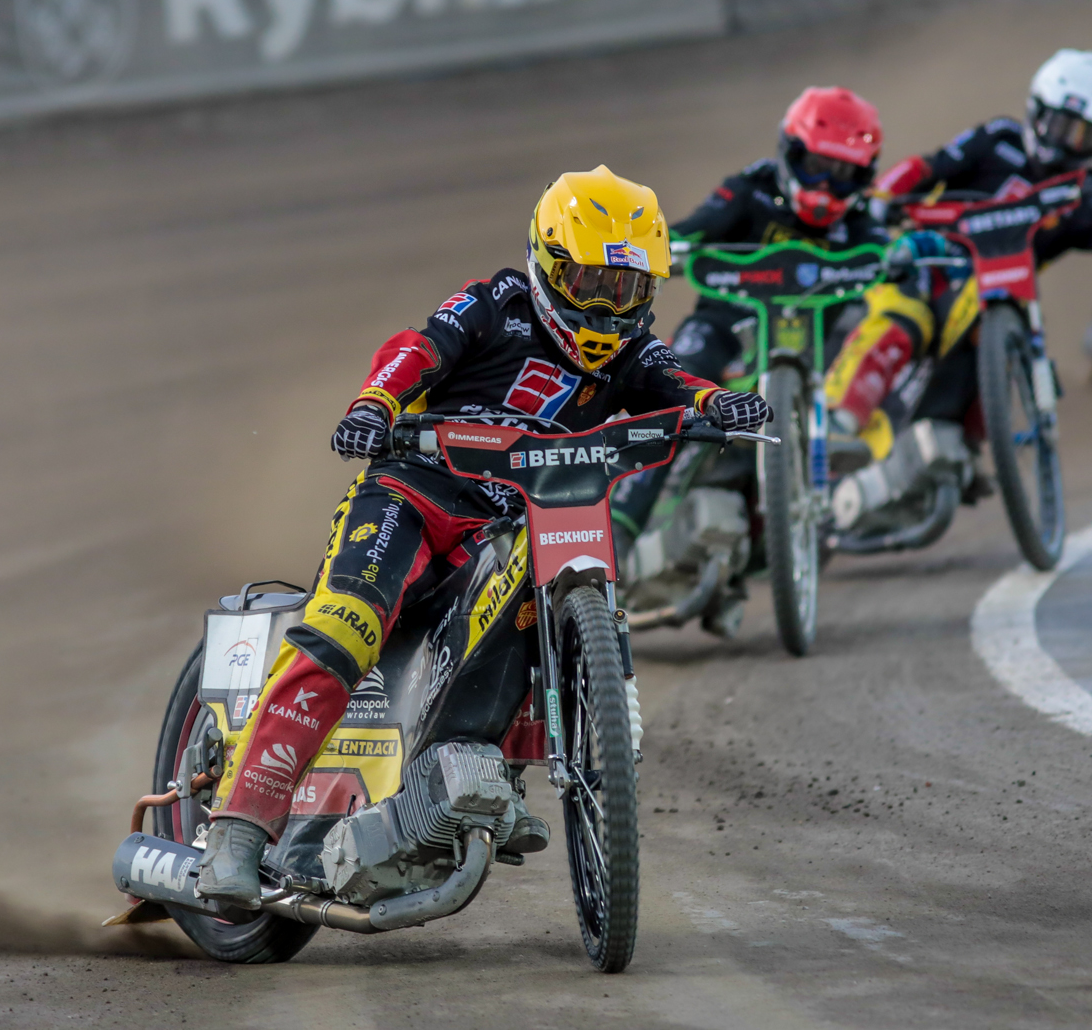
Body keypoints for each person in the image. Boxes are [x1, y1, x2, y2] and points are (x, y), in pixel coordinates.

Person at [194, 166, 771, 907]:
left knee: (530, 595)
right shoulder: (496, 301)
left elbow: (679, 383)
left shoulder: (634, 352)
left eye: (626, 289)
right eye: (591, 283)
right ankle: (236, 832)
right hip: (413, 494)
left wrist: (721, 405)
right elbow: (420, 348)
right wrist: (375, 403)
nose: (607, 307)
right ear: (548, 264)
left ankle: (467, 776)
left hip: (505, 524)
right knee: (345, 624)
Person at [607, 87, 888, 551]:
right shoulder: (749, 189)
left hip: (814, 345)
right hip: (722, 329)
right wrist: (661, 249)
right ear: (790, 152)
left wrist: (909, 256)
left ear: (865, 176)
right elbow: (694, 227)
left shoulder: (861, 220)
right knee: (671, 382)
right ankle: (618, 526)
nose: (825, 187)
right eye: (816, 166)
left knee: (876, 334)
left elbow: (889, 252)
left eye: (843, 175)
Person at [826, 49, 1092, 453]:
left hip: (1000, 300)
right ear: (1037, 110)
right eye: (1062, 126)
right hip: (932, 261)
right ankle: (839, 418)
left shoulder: (1085, 192)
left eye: (1086, 135)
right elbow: (928, 168)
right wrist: (881, 198)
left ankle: (962, 448)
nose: (1070, 143)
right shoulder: (998, 138)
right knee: (904, 316)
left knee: (997, 348)